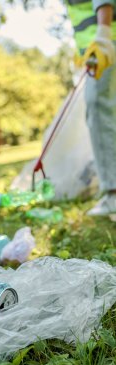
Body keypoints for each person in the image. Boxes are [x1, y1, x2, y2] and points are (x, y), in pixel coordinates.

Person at [67, 1, 116, 215]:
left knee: (99, 108)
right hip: (100, 44)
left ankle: (114, 194)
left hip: (106, 44)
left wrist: (103, 32)